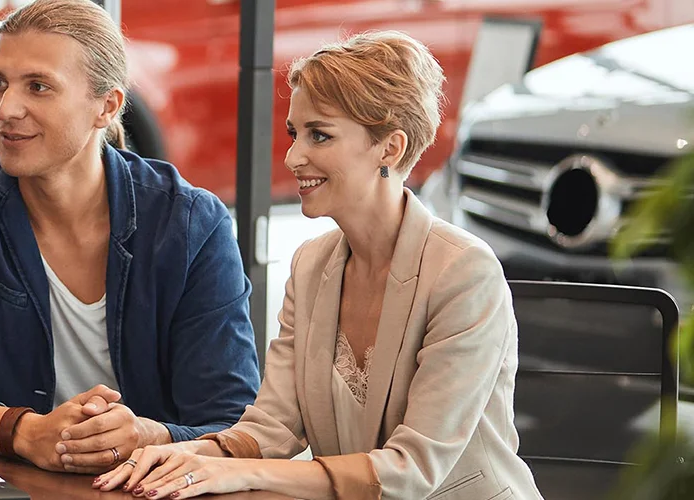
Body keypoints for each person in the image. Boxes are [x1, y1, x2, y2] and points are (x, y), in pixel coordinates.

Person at [95, 31, 543, 499]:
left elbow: (412, 470)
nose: (293, 156)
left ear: (389, 148)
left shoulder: (464, 274)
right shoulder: (312, 265)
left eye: (319, 135)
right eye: (295, 133)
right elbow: (273, 427)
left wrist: (241, 474)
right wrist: (188, 454)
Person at [0, 0, 261, 475]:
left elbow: (233, 424)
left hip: (147, 485)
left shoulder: (190, 222)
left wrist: (146, 433)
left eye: (38, 86)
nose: (5, 108)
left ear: (107, 106)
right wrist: (24, 432)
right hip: (8, 482)